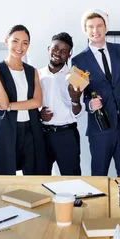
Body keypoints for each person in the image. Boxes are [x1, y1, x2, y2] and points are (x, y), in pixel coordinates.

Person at [72, 9, 120, 176]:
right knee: (99, 174)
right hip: (100, 127)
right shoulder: (77, 60)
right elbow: (77, 96)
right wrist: (89, 104)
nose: (95, 31)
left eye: (99, 26)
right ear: (85, 30)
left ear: (105, 27)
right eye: (90, 27)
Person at [0, 25, 47, 175]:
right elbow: (3, 103)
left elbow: (37, 102)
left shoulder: (32, 71)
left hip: (32, 128)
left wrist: (9, 106)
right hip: (8, 128)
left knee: (36, 175)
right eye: (15, 41)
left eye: (25, 43)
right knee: (3, 176)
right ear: (6, 41)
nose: (20, 47)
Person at [38, 32, 84, 175]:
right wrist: (39, 114)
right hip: (42, 135)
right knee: (40, 178)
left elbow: (79, 112)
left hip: (67, 135)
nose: (58, 53)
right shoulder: (36, 75)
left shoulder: (76, 76)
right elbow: (31, 103)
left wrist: (75, 100)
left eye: (64, 51)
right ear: (48, 49)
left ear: (69, 55)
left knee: (72, 179)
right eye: (55, 48)